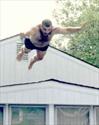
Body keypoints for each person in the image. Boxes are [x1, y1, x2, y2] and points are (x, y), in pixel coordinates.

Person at [16, 19, 86, 70]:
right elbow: (26, 34)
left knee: (40, 58)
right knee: (24, 52)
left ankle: (32, 61)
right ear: (41, 26)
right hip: (31, 43)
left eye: (48, 29)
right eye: (44, 29)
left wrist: (79, 29)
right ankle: (22, 50)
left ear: (51, 27)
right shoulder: (35, 29)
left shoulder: (55, 29)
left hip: (43, 46)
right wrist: (23, 34)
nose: (46, 31)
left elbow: (67, 30)